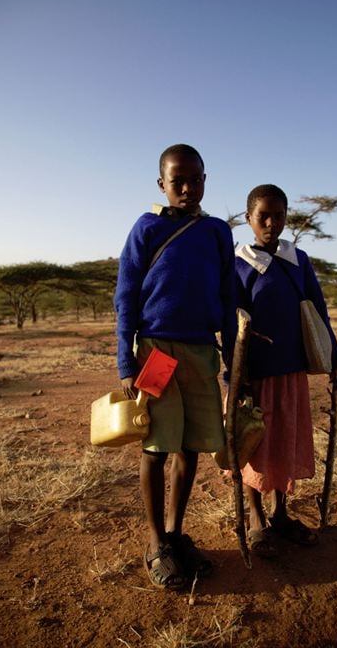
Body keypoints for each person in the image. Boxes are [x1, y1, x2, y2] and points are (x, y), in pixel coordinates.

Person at [114, 143, 236, 589]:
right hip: (157, 352)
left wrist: (231, 352)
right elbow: (125, 297)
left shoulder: (219, 233)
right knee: (156, 446)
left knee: (191, 448)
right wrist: (126, 361)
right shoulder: (145, 228)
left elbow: (228, 297)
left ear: (206, 180)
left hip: (202, 351)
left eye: (195, 179)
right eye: (176, 180)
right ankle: (154, 543)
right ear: (161, 183)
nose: (186, 187)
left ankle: (175, 534)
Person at [235, 184, 337, 556]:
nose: (271, 222)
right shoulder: (236, 262)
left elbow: (318, 311)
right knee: (252, 442)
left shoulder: (297, 259)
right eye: (263, 215)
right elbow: (227, 321)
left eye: (278, 215)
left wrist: (336, 359)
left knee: (283, 440)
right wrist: (233, 375)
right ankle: (255, 518)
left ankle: (280, 514)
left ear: (286, 217)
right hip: (253, 373)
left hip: (291, 371)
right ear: (248, 217)